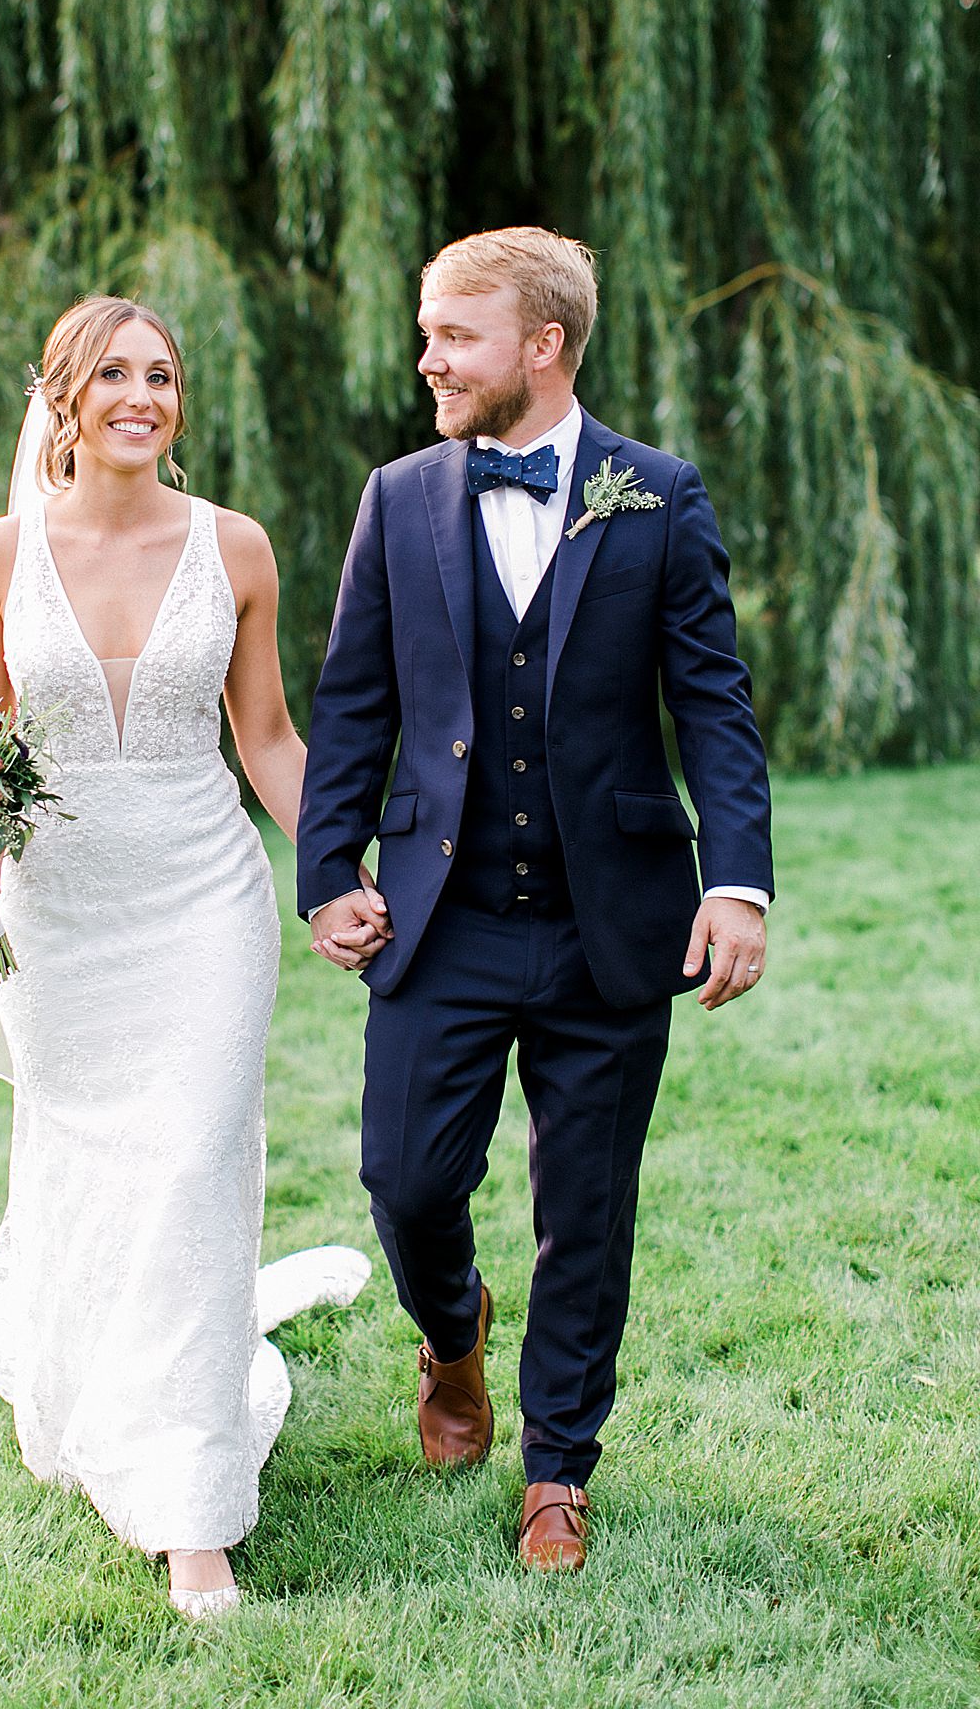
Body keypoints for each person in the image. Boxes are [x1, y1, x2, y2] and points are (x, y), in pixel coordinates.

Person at [297, 227, 773, 1572]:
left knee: (589, 1212)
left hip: (611, 921)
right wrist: (331, 873)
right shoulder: (398, 499)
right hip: (439, 916)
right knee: (403, 1175)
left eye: (456, 333)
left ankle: (558, 1471)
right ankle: (454, 1339)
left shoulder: (656, 494)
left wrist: (736, 883)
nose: (427, 357)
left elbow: (715, 710)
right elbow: (356, 703)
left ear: (544, 346)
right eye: (428, 331)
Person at [0, 295, 376, 1617]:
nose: (144, 394)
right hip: (65, 915)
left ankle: (191, 1508)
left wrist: (337, 873)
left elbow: (273, 740)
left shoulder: (234, 547)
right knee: (96, 1168)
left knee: (189, 1164)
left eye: (164, 375)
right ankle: (100, 1394)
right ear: (63, 396)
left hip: (201, 899)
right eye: (115, 373)